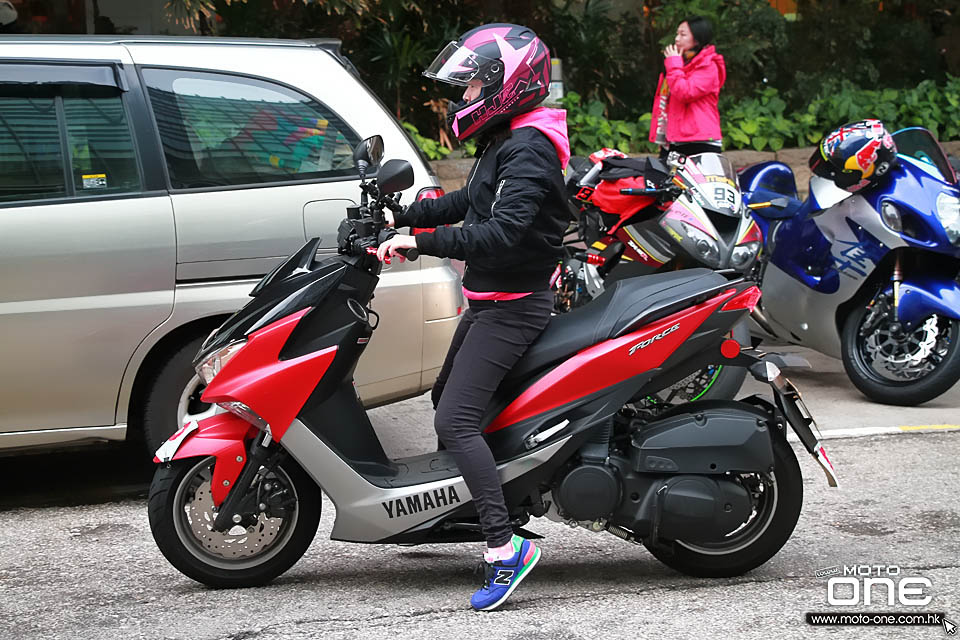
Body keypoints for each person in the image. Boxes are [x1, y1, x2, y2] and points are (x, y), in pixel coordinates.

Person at [376, 23, 570, 611]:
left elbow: (504, 231)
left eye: (468, 89)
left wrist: (420, 244)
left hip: (513, 309)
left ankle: (504, 547)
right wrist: (405, 215)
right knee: (448, 406)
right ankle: (494, 504)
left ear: (505, 85)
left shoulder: (530, 148)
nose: (461, 100)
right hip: (491, 301)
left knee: (458, 420)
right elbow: (470, 202)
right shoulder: (508, 139)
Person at [649, 16, 726, 160]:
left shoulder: (709, 65)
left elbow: (685, 92)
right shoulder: (680, 63)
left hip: (700, 141)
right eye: (677, 34)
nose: (677, 39)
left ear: (697, 39)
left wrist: (674, 65)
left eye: (683, 35)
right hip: (674, 140)